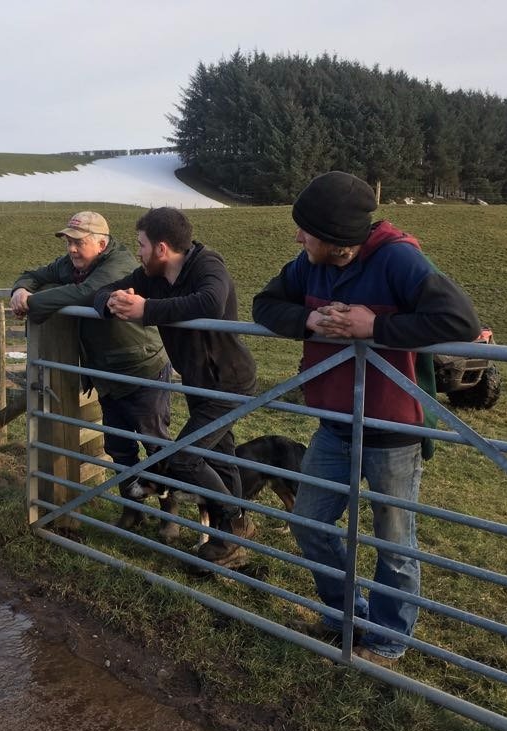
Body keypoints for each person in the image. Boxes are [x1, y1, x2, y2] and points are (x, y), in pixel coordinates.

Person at [252, 171, 481, 664]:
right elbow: (264, 304)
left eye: (306, 230)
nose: (297, 238)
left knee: (395, 543)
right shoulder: (307, 267)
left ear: (337, 242)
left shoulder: (398, 259)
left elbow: (460, 321)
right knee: (310, 521)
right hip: (333, 424)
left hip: (393, 430)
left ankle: (389, 639)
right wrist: (308, 320)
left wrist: (376, 326)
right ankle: (346, 616)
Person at [94, 207, 258, 570]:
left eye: (141, 245)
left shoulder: (207, 265)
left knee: (184, 458)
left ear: (162, 248)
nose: (138, 252)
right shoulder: (153, 275)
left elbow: (210, 301)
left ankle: (234, 526)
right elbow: (106, 289)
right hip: (200, 382)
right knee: (220, 456)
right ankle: (230, 539)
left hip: (229, 382)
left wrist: (146, 309)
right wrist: (109, 301)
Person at [10, 212, 179, 538]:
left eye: (79, 242)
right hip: (106, 373)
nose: (72, 249)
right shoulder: (73, 264)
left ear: (101, 242)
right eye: (69, 242)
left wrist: (33, 303)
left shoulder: (118, 264)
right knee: (119, 446)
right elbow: (35, 273)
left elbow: (83, 294)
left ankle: (170, 513)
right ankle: (132, 509)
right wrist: (20, 290)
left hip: (141, 368)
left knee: (155, 442)